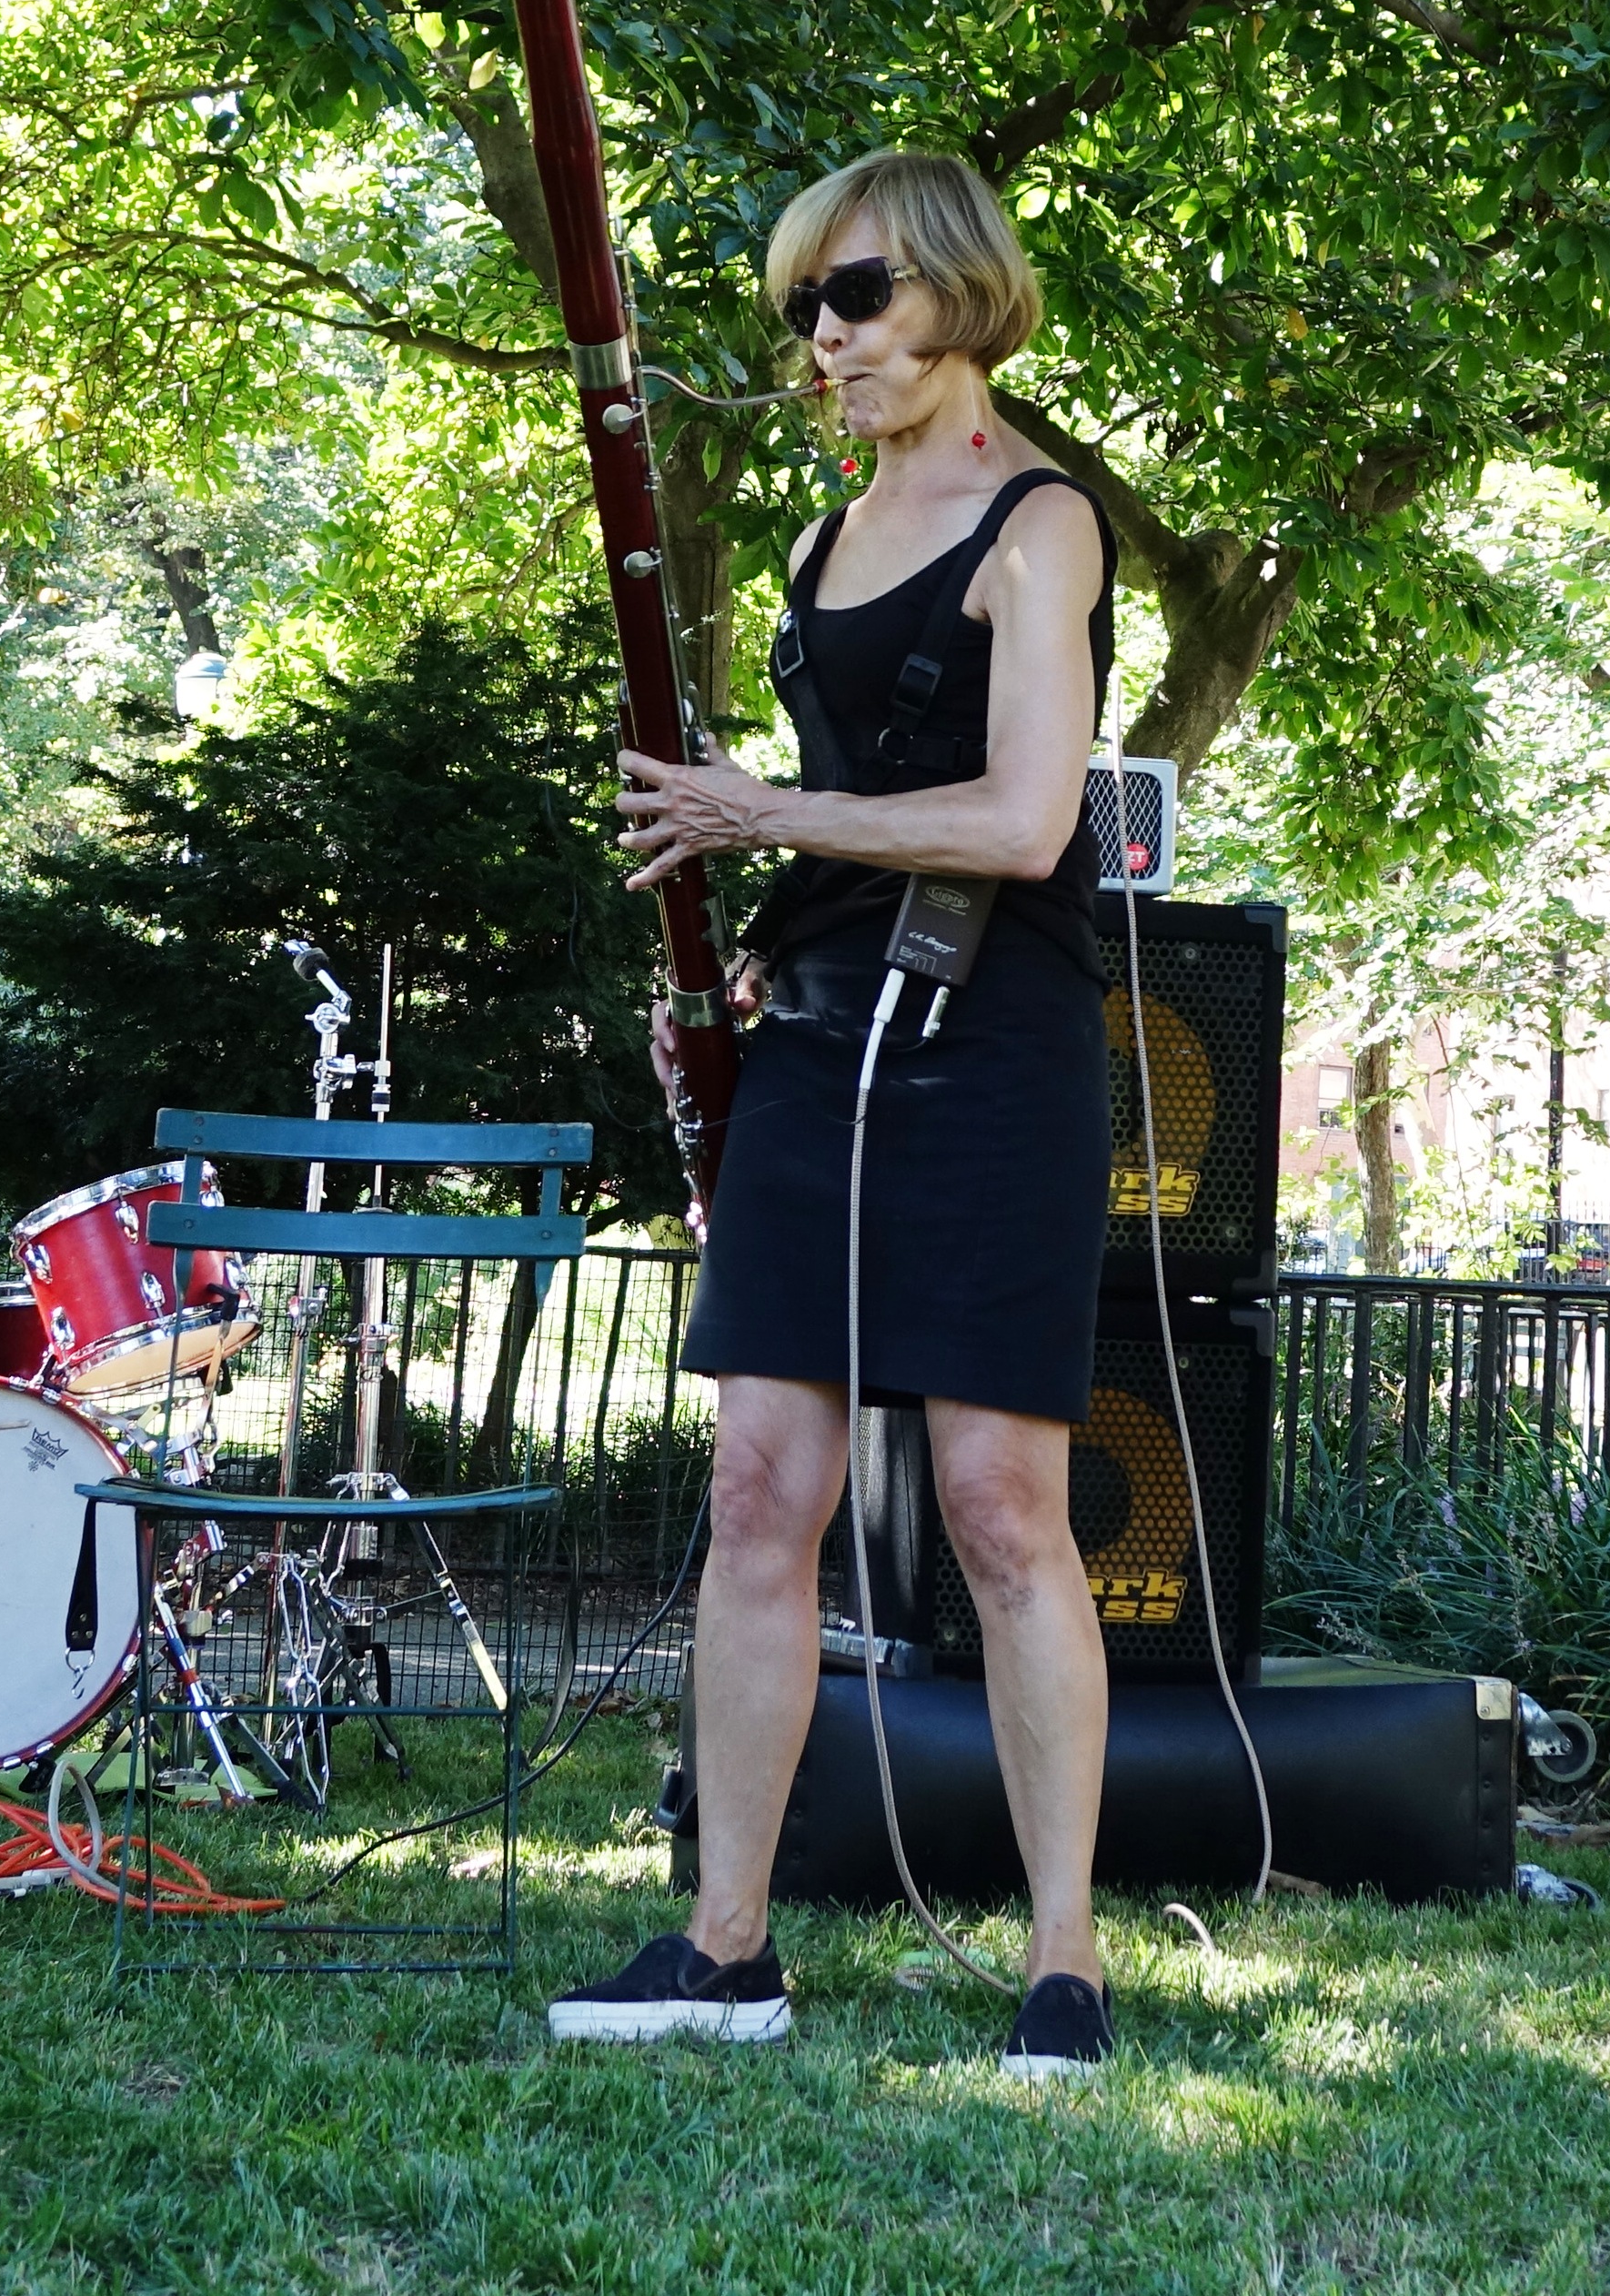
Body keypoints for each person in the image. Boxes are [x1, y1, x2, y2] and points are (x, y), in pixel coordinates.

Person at [556, 150, 1123, 2078]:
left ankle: (1065, 1959)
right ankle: (728, 1943)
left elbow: (1025, 822)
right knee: (756, 1492)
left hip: (996, 1038)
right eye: (803, 306)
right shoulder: (824, 539)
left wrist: (752, 810)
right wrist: (746, 970)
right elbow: (833, 817)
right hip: (818, 1037)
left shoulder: (1042, 525)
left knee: (996, 1507)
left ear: (956, 290)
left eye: (854, 295)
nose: (822, 338)